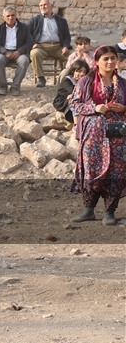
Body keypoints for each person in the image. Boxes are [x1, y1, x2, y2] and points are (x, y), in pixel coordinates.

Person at [68, 46, 125, 226]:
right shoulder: (86, 81)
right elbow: (74, 104)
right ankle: (88, 210)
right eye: (106, 58)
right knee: (91, 169)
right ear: (97, 61)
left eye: (113, 58)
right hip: (93, 133)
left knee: (115, 170)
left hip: (117, 132)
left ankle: (109, 212)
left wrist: (124, 108)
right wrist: (94, 108)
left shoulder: (123, 83)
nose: (110, 62)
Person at [0, 6, 34, 96]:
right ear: (3, 17)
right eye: (8, 16)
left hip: (19, 52)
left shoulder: (24, 27)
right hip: (4, 53)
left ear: (16, 15)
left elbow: (29, 42)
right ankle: (2, 86)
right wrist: (5, 51)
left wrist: (19, 51)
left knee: (24, 60)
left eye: (13, 15)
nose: (11, 18)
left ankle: (15, 86)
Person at [27, 0, 72, 87]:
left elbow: (67, 35)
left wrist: (66, 46)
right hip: (42, 47)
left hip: (58, 47)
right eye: (41, 5)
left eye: (45, 5)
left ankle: (67, 78)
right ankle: (41, 78)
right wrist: (33, 43)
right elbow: (27, 34)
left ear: (52, 6)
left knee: (72, 56)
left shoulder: (61, 20)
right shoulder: (35, 20)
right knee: (34, 53)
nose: (42, 7)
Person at [54, 59, 90, 124]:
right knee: (75, 98)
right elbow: (76, 92)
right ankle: (76, 124)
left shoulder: (85, 81)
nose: (82, 74)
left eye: (84, 72)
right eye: (79, 71)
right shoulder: (67, 80)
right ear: (73, 71)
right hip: (62, 102)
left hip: (76, 101)